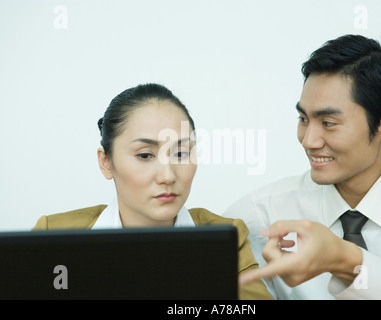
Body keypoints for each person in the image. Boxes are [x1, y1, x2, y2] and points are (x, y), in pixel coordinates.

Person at [224, 34, 381, 299]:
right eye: (303, 118)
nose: (308, 141)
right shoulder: (260, 216)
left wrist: (343, 259)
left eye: (328, 123)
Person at [33, 83, 273, 300]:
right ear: (106, 162)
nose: (167, 176)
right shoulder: (52, 235)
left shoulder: (227, 237)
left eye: (180, 153)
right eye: (145, 155)